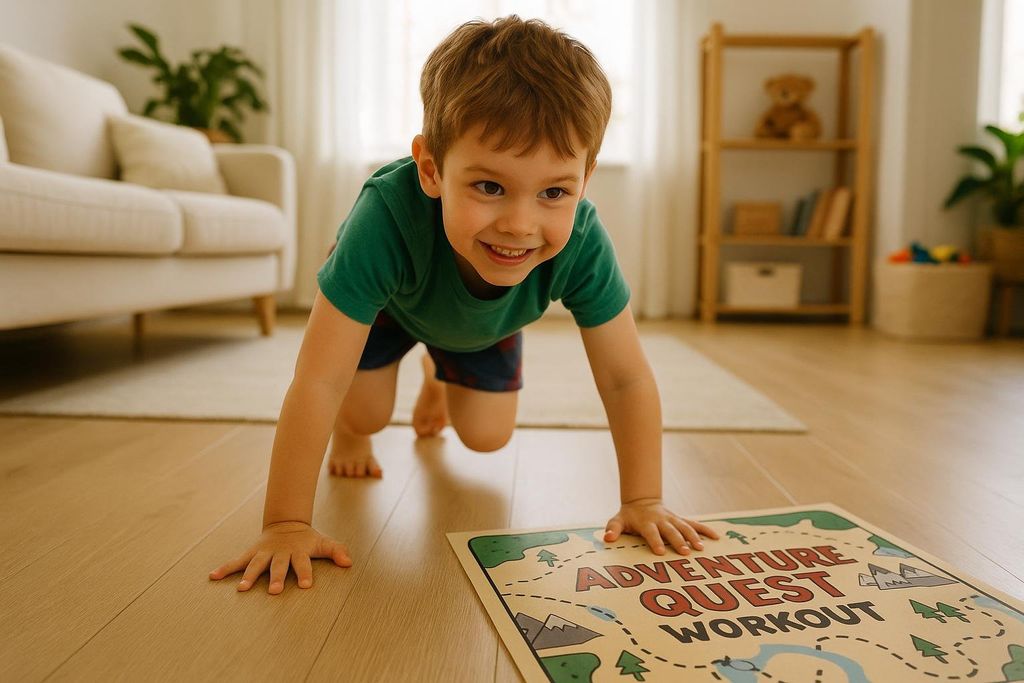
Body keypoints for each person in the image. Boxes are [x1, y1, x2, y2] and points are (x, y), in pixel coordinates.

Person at [209, 15, 717, 595]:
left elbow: (626, 379)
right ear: (431, 169)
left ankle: (437, 372)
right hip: (386, 308)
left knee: (486, 437)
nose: (521, 225)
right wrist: (286, 524)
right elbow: (318, 380)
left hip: (484, 322)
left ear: (585, 178)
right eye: (489, 187)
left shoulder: (581, 242)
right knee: (362, 414)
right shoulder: (384, 219)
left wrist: (643, 499)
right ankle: (367, 422)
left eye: (554, 191)